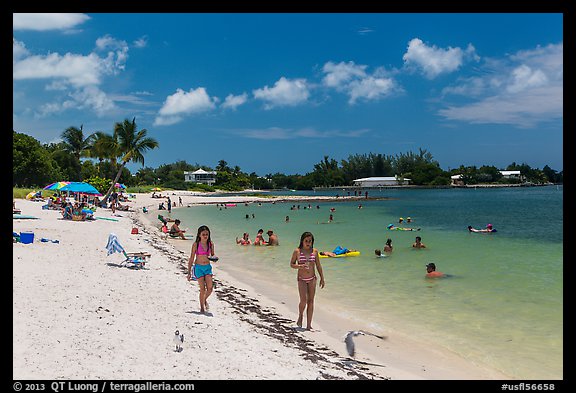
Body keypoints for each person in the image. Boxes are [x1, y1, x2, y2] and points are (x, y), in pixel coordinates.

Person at [290, 232, 325, 330]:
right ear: (302, 241)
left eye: (310, 241)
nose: (308, 243)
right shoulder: (297, 251)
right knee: (303, 300)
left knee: (311, 301)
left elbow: (318, 265)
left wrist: (322, 278)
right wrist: (300, 266)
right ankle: (300, 315)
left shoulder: (315, 252)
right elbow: (291, 264)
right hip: (301, 279)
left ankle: (309, 325)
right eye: (306, 241)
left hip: (312, 278)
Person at [187, 225, 216, 314]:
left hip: (207, 268)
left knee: (210, 288)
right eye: (203, 234)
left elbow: (212, 255)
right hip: (198, 268)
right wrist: (189, 272)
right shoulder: (196, 244)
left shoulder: (211, 244)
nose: (205, 236)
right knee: (202, 289)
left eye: (207, 234)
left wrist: (214, 258)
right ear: (199, 235)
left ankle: (204, 299)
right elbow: (191, 258)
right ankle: (202, 308)